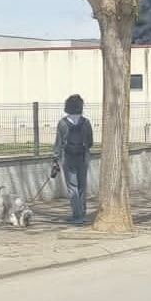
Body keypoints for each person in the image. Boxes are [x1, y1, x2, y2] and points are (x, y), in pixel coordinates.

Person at [52, 93, 93, 225]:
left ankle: (76, 215)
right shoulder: (86, 122)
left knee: (72, 187)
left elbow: (58, 143)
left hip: (67, 157)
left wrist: (55, 158)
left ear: (67, 107)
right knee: (82, 186)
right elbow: (91, 142)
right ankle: (83, 214)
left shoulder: (62, 123)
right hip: (83, 157)